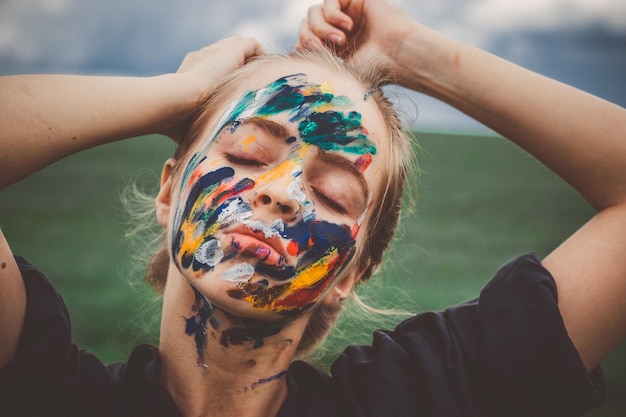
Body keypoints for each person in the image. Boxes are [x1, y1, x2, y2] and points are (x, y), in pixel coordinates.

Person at [0, 0, 624, 415]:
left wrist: (410, 54)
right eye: (245, 153)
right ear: (170, 190)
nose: (280, 191)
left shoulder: (427, 397)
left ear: (351, 271)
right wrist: (179, 95)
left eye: (332, 194)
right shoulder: (41, 391)